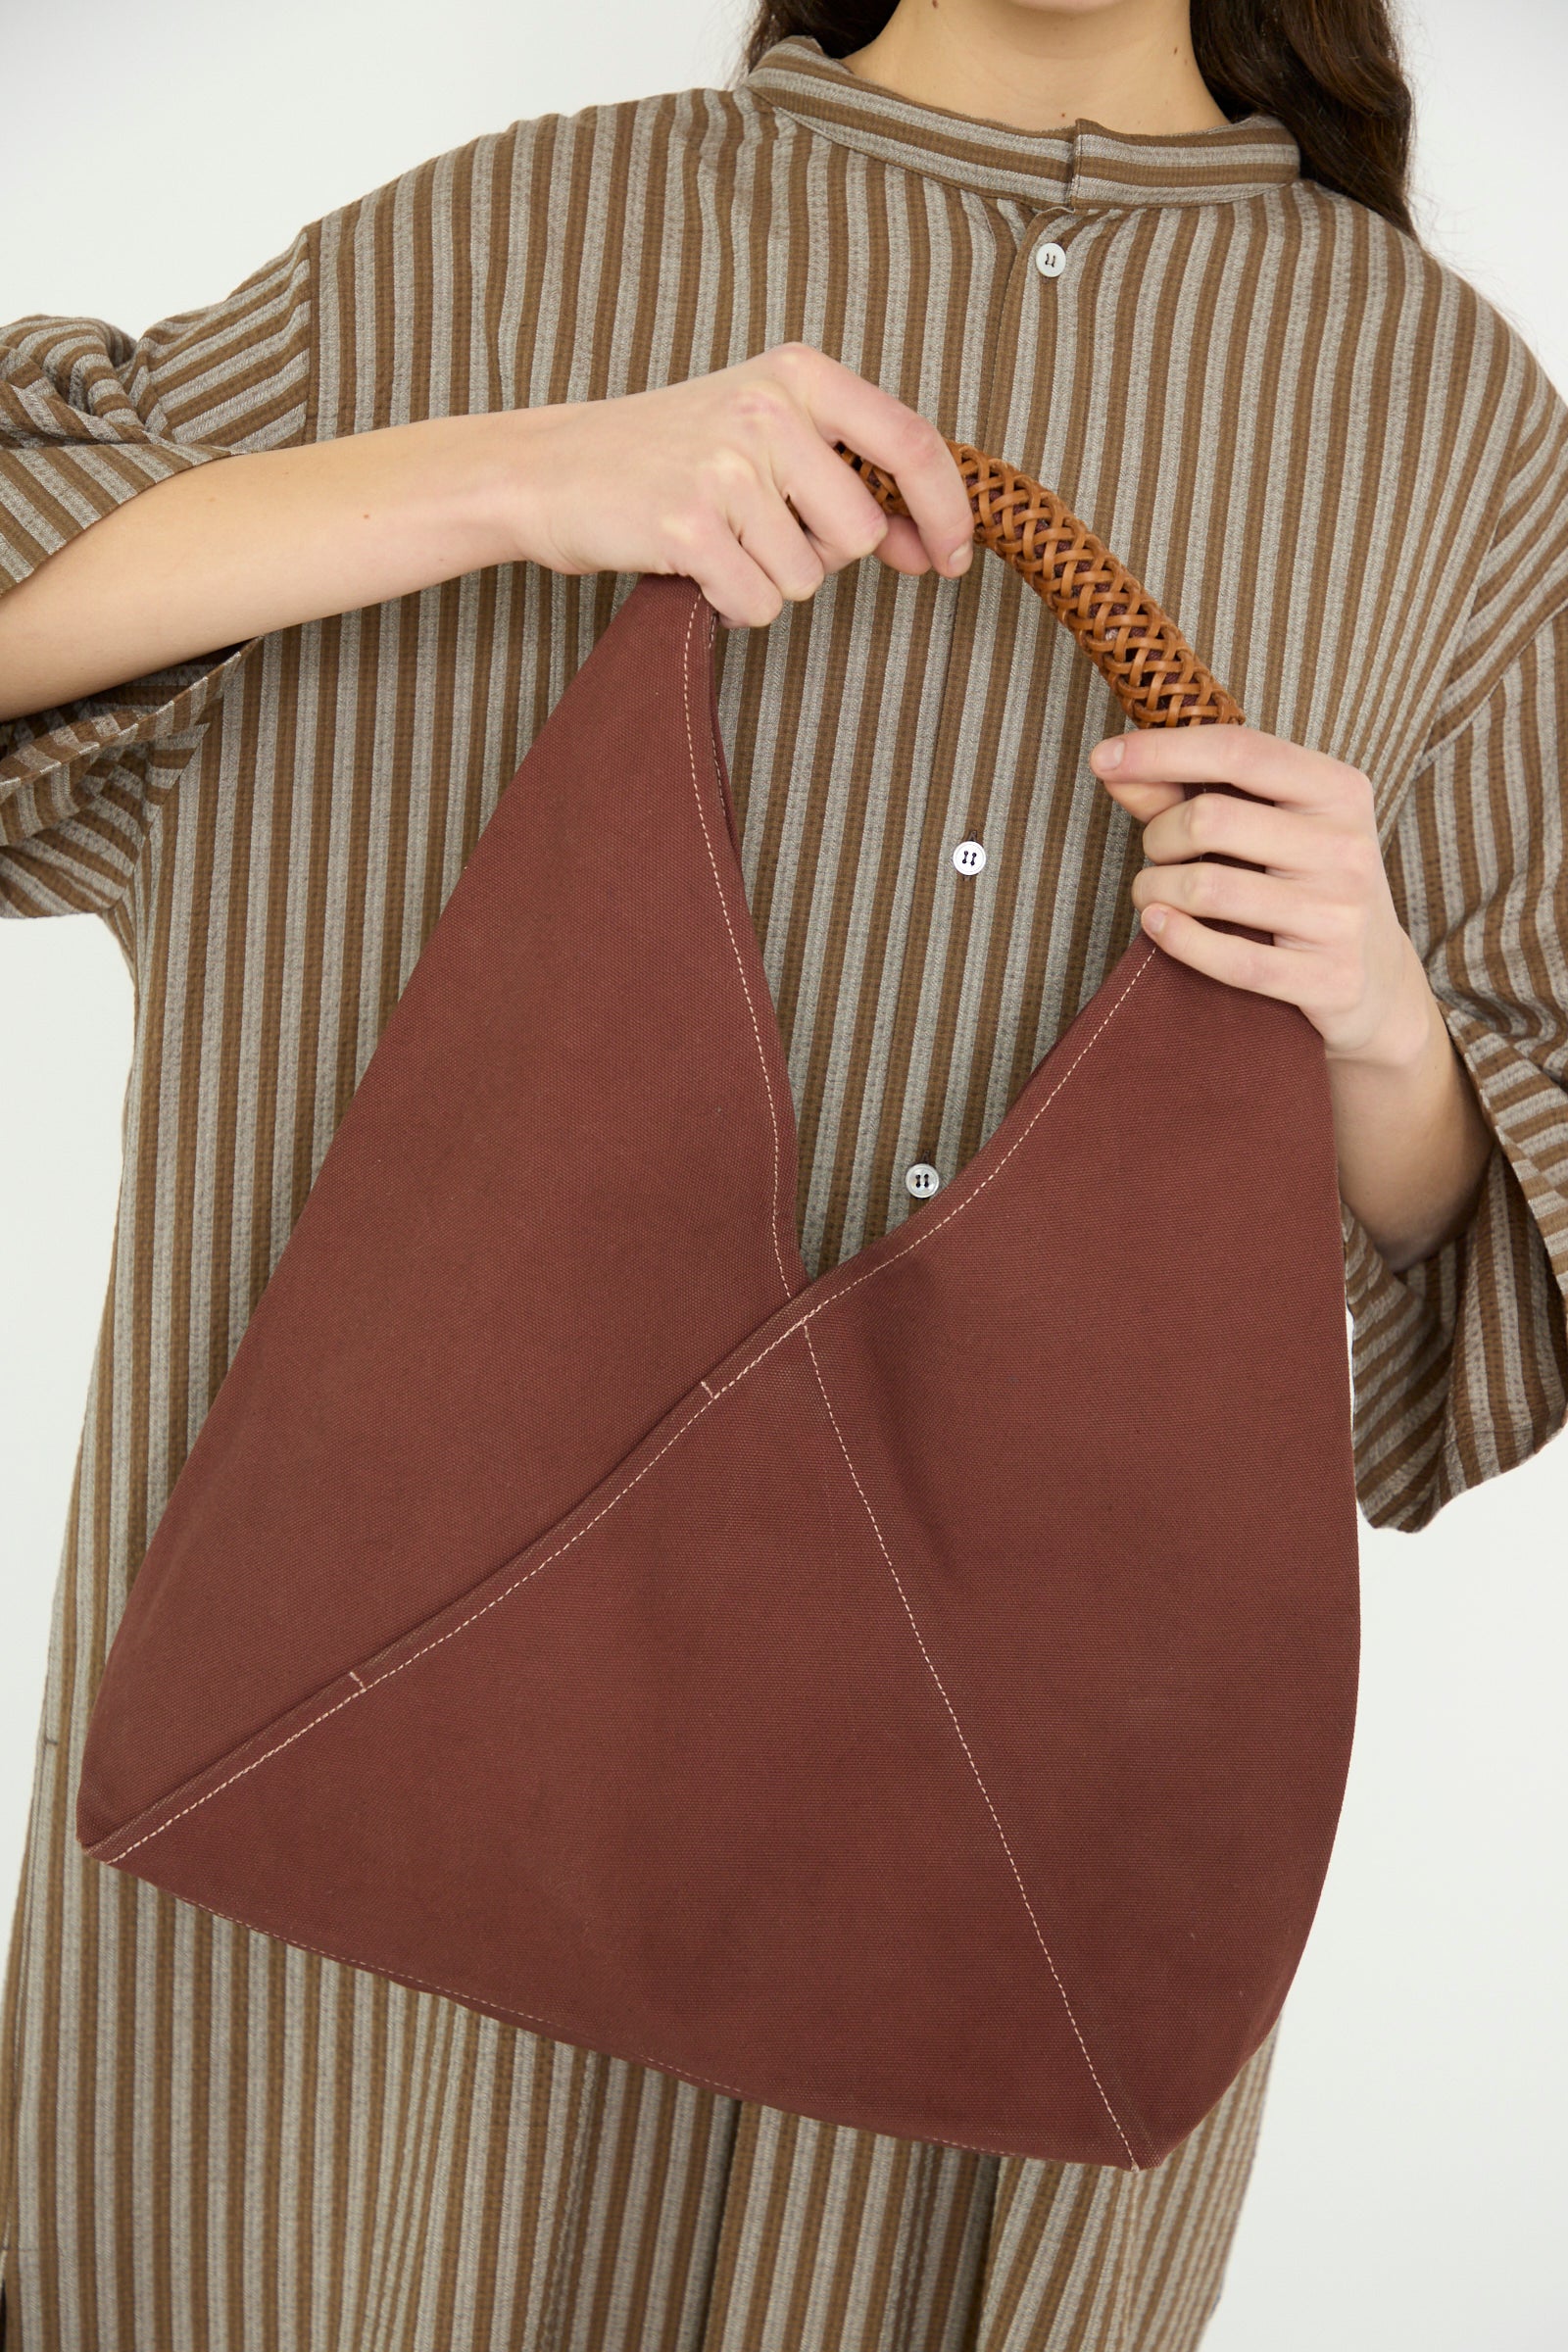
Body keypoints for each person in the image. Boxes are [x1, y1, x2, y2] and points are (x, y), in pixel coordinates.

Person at [1, 0, 1564, 2344]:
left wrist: (1370, 1018)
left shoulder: (1447, 427)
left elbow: (1468, 1233)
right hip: (329, 1858)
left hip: (971, 1885)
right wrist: (522, 483)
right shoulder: (516, 237)